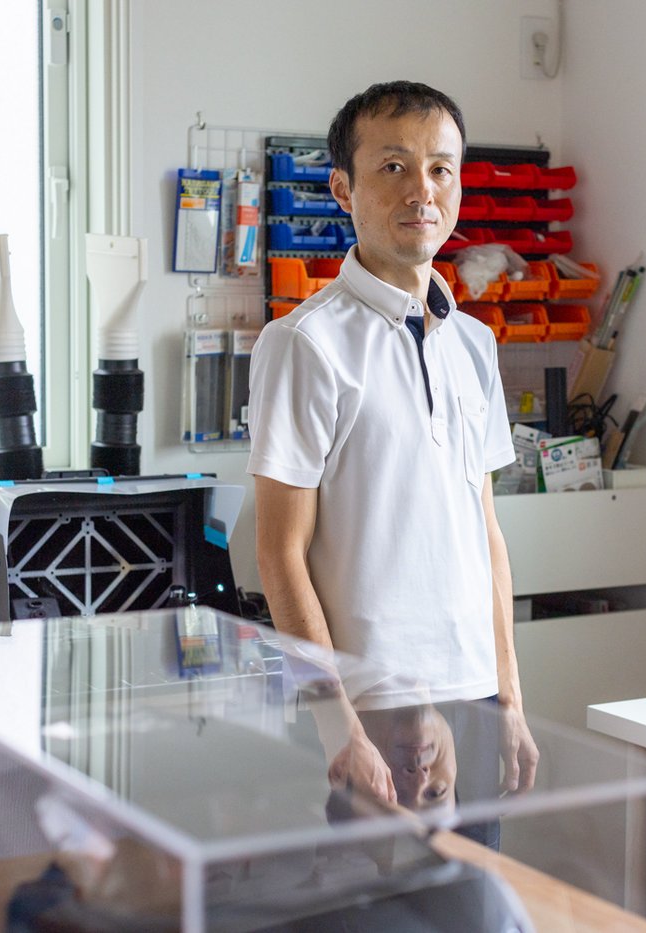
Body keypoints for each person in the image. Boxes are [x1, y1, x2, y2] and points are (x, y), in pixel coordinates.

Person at [247, 81, 538, 829]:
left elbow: (486, 535)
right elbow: (280, 554)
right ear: (342, 187)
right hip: (368, 703)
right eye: (394, 167)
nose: (422, 190)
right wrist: (336, 723)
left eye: (441, 169)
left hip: (471, 694)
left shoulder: (474, 346)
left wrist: (509, 696)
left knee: (476, 906)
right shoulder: (304, 344)